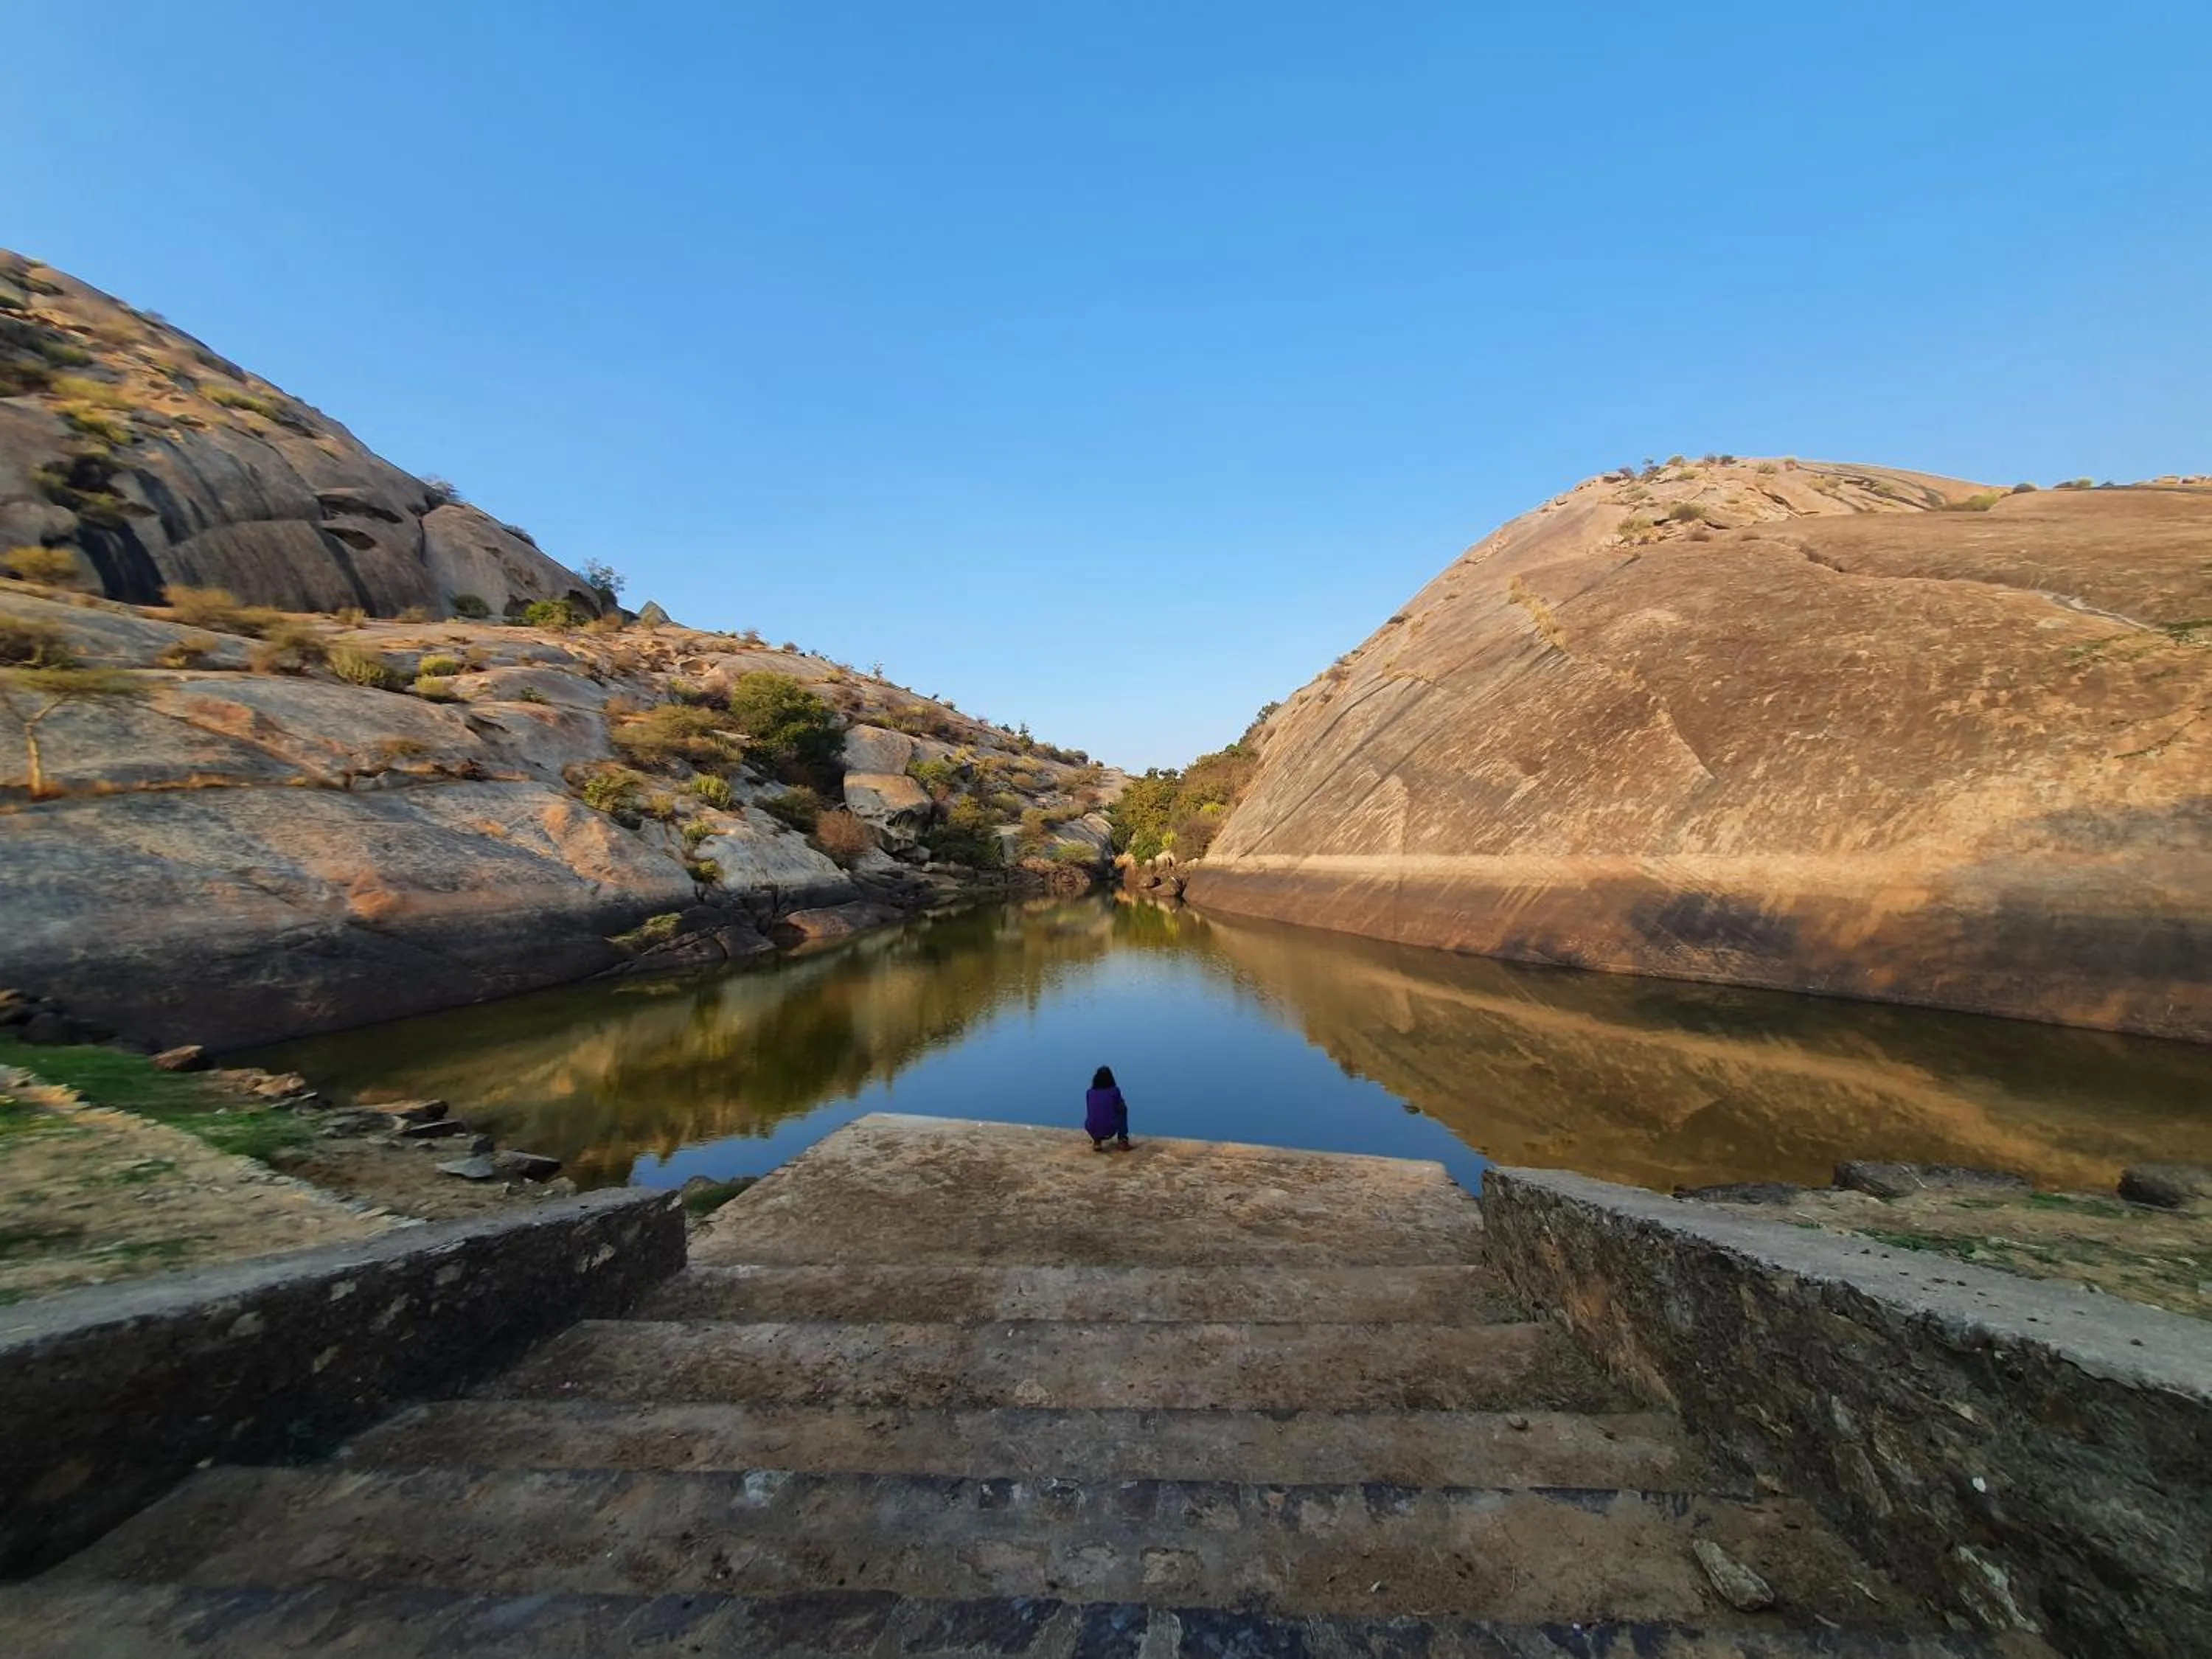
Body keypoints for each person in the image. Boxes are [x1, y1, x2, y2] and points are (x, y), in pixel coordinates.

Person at [1085, 1065, 1131, 1152]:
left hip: (1091, 1128)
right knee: (1123, 1109)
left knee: (1096, 1114)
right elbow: (1120, 1106)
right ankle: (1122, 1140)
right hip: (1110, 1129)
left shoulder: (1089, 1092)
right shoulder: (1115, 1091)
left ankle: (1097, 1142)